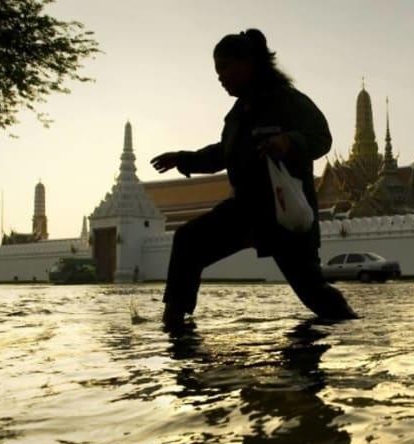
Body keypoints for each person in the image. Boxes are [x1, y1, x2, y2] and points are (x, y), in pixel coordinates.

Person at [150, 28, 358, 329]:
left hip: (283, 213)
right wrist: (183, 158)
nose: (220, 77)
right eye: (217, 70)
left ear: (248, 63)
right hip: (245, 210)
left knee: (313, 292)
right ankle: (174, 324)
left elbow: (321, 138)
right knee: (188, 242)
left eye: (225, 68)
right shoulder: (237, 114)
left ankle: (354, 328)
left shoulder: (288, 101)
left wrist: (290, 142)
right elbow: (223, 153)